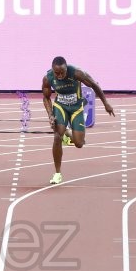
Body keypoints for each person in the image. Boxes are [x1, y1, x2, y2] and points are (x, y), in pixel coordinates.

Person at [42, 56, 114, 185]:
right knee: (57, 136)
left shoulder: (77, 73)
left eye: (62, 72)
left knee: (79, 143)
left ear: (66, 68)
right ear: (53, 70)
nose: (59, 76)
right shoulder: (48, 78)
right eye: (57, 73)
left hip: (76, 108)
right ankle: (57, 174)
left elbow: (94, 85)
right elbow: (46, 97)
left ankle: (67, 132)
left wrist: (106, 103)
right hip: (60, 106)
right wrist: (50, 115)